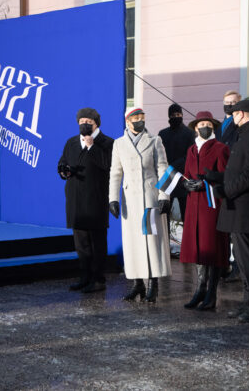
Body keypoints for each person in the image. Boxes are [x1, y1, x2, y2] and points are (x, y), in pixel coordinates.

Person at [210, 99, 249, 323]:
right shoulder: (245, 133)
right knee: (241, 257)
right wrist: (216, 177)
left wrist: (225, 189)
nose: (232, 118)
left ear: (241, 114)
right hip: (238, 206)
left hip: (245, 206)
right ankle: (248, 301)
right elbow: (237, 170)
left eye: (234, 114)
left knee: (247, 256)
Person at [109, 107, 172, 303]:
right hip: (130, 200)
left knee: (152, 240)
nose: (139, 121)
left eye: (142, 118)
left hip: (150, 198)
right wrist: (113, 198)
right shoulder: (119, 144)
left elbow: (163, 168)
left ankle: (154, 283)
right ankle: (138, 284)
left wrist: (164, 195)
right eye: (135, 118)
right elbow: (115, 172)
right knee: (133, 242)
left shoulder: (155, 141)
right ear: (127, 121)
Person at [58, 108, 114, 293]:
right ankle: (85, 277)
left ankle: (98, 279)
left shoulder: (107, 143)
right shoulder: (71, 142)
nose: (84, 123)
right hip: (75, 198)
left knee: (97, 243)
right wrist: (63, 170)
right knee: (81, 243)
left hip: (96, 199)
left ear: (96, 123)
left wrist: (92, 146)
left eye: (88, 121)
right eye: (81, 120)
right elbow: (62, 161)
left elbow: (108, 165)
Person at [180, 111, 230, 310]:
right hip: (194, 204)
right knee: (198, 247)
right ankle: (200, 287)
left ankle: (212, 292)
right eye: (201, 124)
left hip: (212, 204)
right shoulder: (192, 149)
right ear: (195, 127)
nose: (205, 127)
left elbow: (225, 176)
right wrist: (187, 184)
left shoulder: (220, 148)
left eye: (208, 124)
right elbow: (186, 174)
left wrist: (206, 183)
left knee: (213, 247)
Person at [158, 103, 195, 257]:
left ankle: (188, 248)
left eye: (178, 115)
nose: (176, 118)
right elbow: (158, 154)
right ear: (169, 116)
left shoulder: (189, 133)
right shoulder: (162, 133)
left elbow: (190, 155)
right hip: (167, 179)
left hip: (182, 179)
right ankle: (165, 247)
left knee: (187, 215)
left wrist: (173, 166)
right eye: (173, 115)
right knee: (164, 213)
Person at [215, 90, 242, 282]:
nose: (229, 105)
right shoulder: (218, 126)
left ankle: (237, 268)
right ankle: (222, 264)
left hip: (232, 180)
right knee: (221, 226)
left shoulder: (240, 127)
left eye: (233, 103)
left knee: (235, 229)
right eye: (226, 102)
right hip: (218, 181)